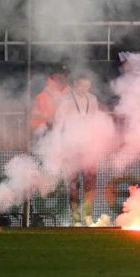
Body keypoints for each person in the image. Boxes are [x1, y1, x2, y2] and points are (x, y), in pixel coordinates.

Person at [55, 73, 100, 226]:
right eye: (82, 86)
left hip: (88, 146)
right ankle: (75, 219)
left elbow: (96, 121)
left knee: (91, 182)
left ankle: (88, 216)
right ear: (75, 84)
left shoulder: (92, 99)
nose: (84, 89)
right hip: (71, 146)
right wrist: (58, 145)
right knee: (73, 184)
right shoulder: (66, 99)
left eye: (87, 86)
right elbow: (59, 122)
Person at [30, 66, 70, 137]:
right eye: (57, 77)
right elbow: (34, 114)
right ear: (52, 77)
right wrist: (47, 118)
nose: (60, 80)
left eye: (64, 76)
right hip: (44, 129)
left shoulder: (70, 93)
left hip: (64, 129)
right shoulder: (42, 95)